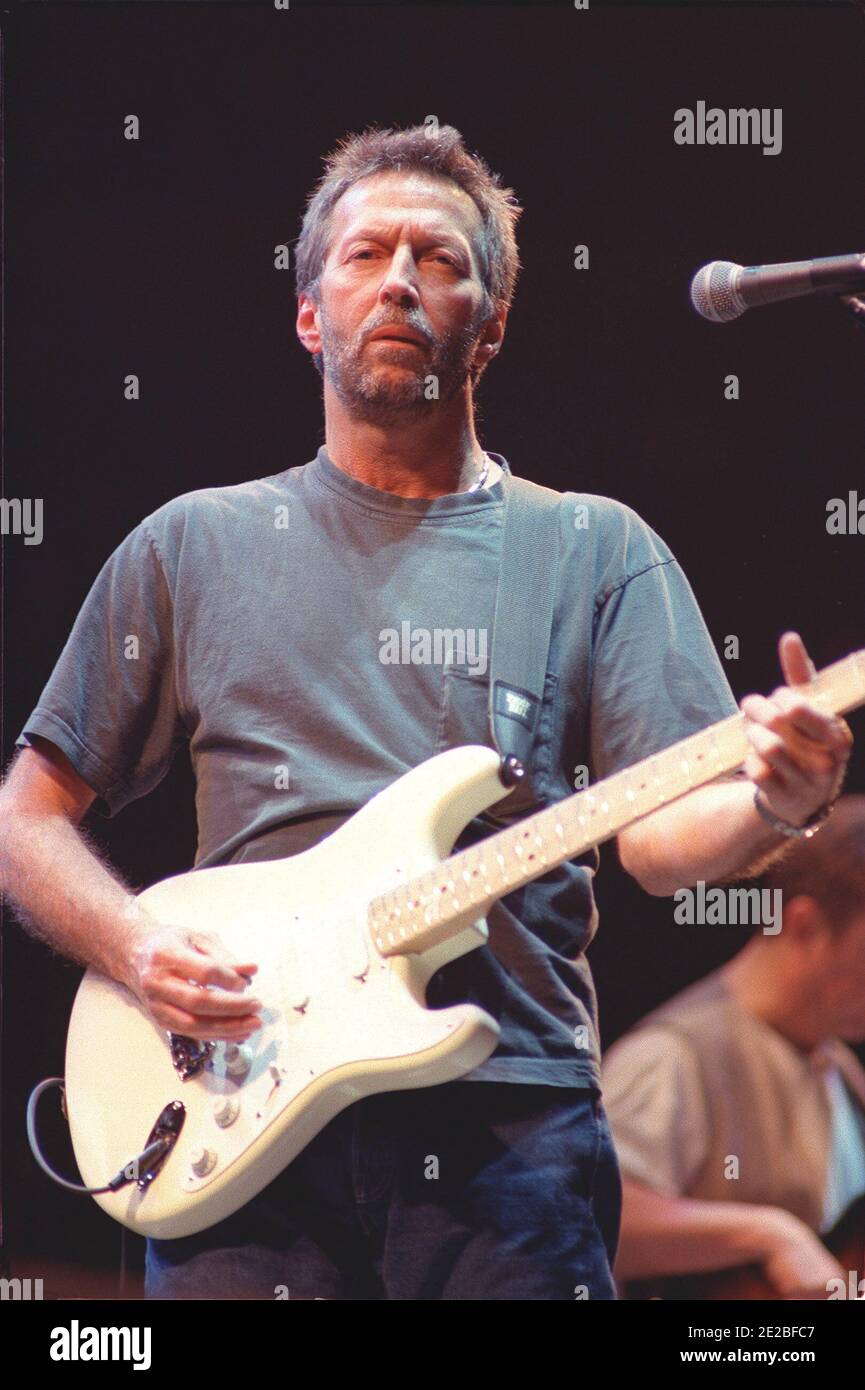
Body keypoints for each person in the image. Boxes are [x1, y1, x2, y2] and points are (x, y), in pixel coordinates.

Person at [0, 124, 852, 1301]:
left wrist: (773, 796)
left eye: (440, 259)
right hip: (237, 1117)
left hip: (511, 1134)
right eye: (364, 254)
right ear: (309, 315)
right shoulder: (191, 545)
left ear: (490, 327)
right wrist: (133, 947)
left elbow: (660, 845)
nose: (399, 276)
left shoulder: (593, 548)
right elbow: (25, 820)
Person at [602, 795, 865, 1300]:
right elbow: (599, 1215)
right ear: (806, 927)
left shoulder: (838, 1064)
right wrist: (767, 1233)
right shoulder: (672, 1055)